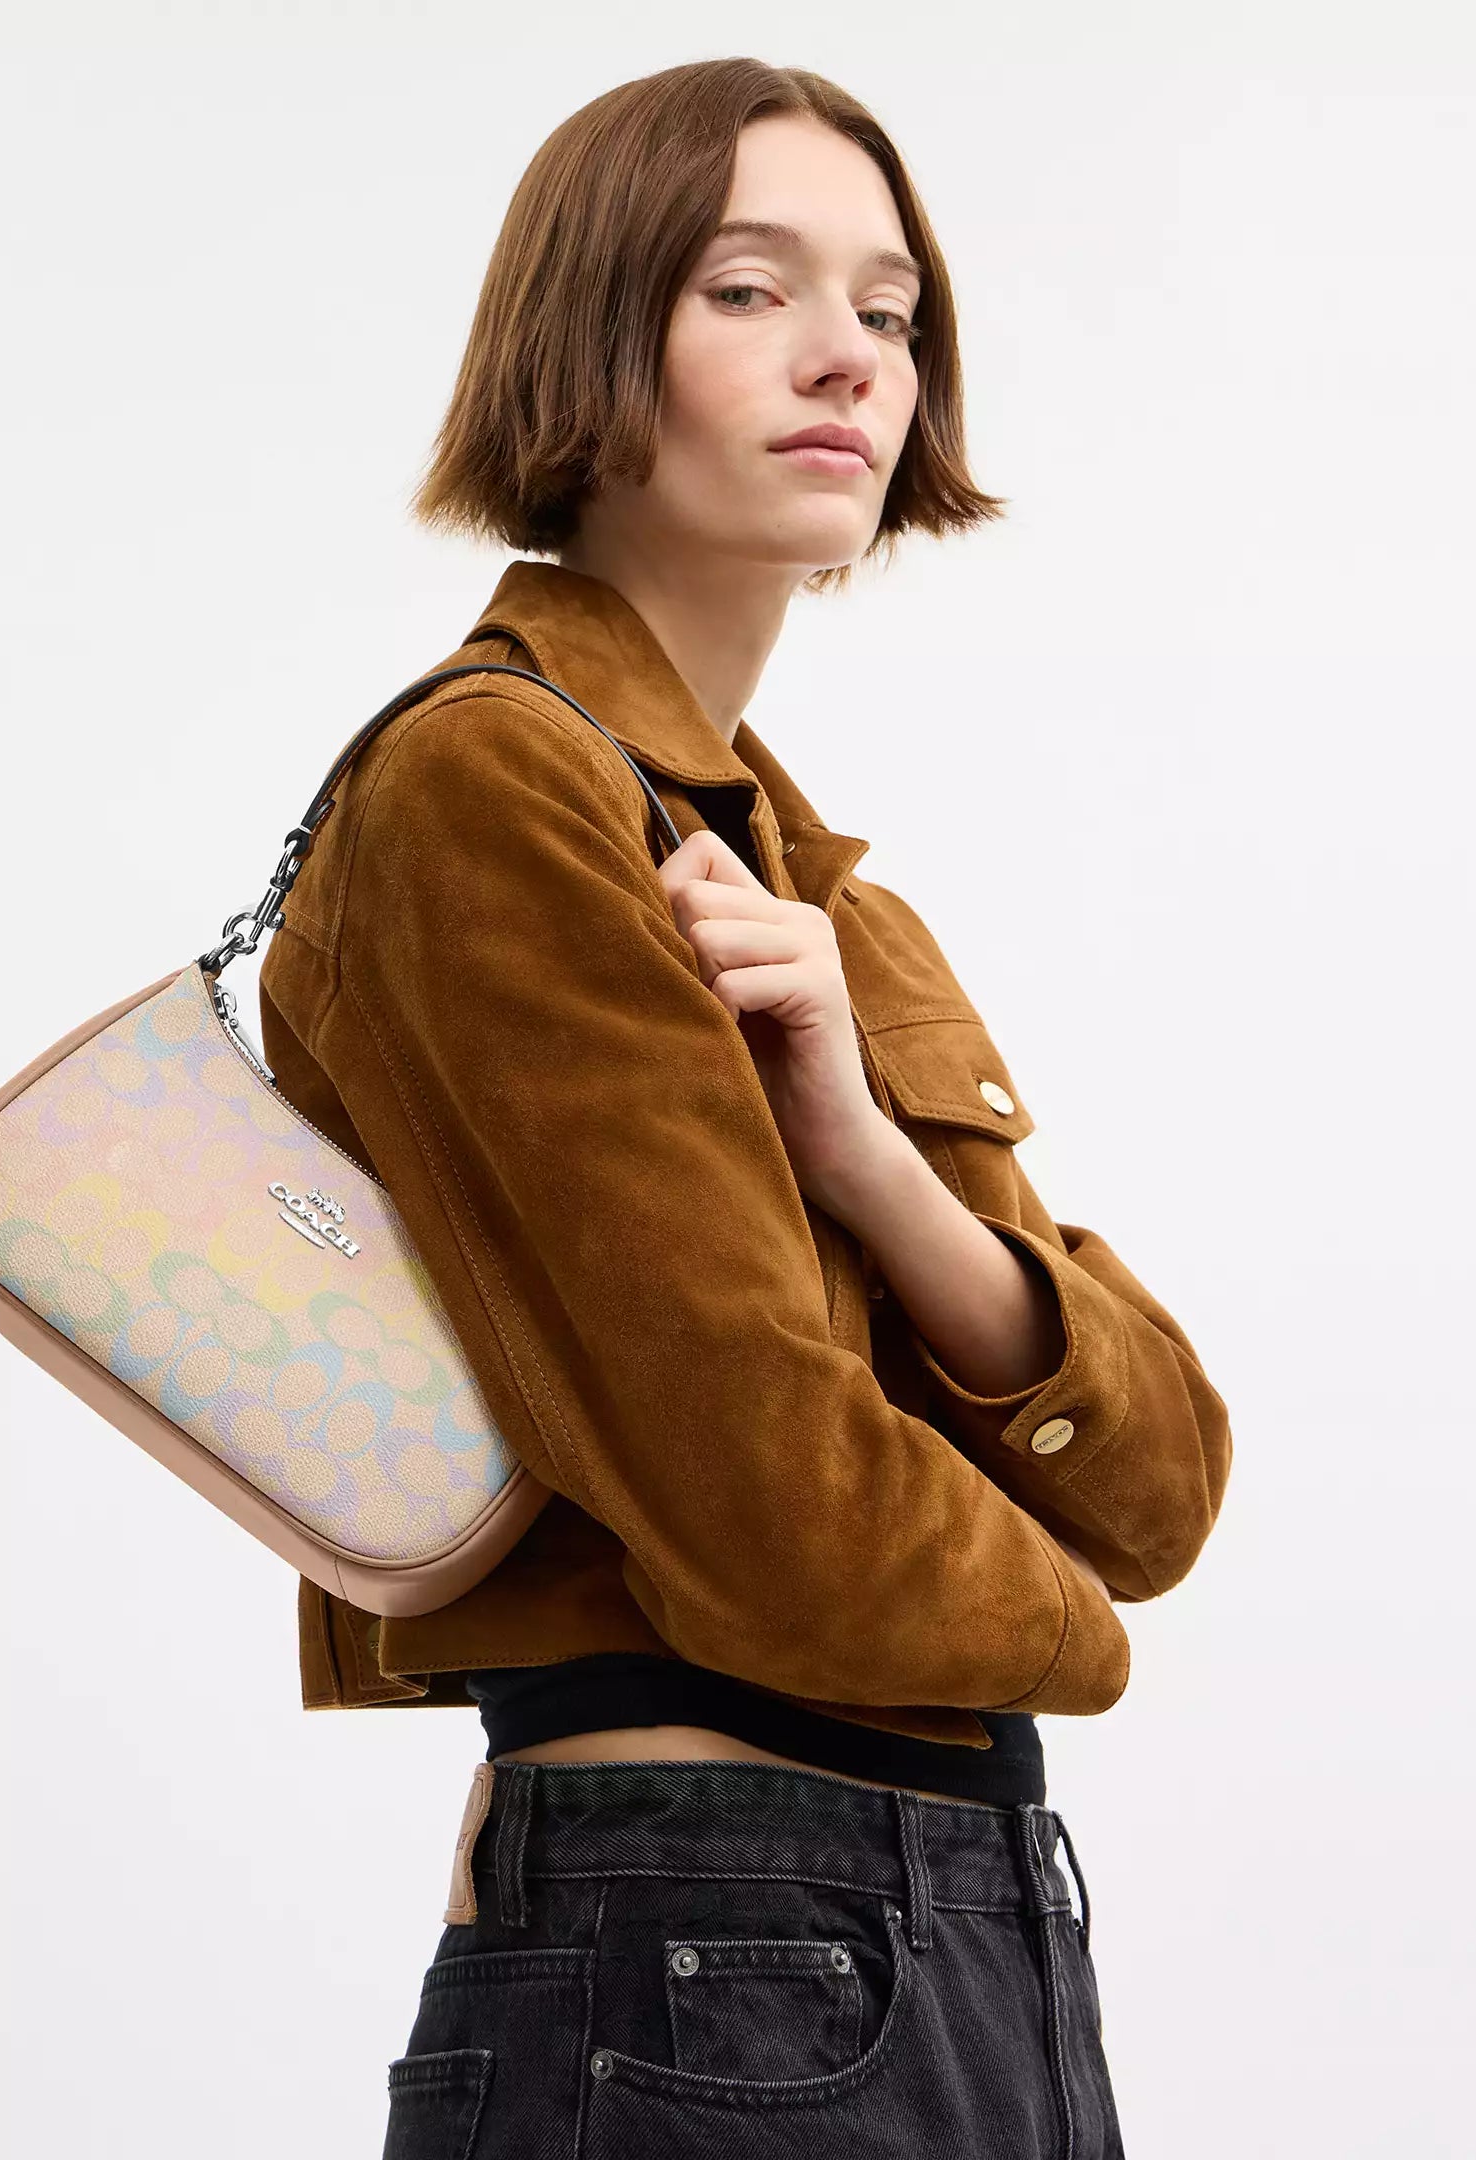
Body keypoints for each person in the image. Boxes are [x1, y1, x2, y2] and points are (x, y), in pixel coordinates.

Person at [256, 57, 1233, 2157]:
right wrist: (1077, 1642)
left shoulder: (806, 894)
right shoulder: (494, 787)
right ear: (586, 330)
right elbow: (778, 1523)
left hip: (942, 1936)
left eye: (888, 310)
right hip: (715, 1946)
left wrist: (866, 1161)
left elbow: (1155, 1483)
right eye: (746, 289)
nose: (845, 357)